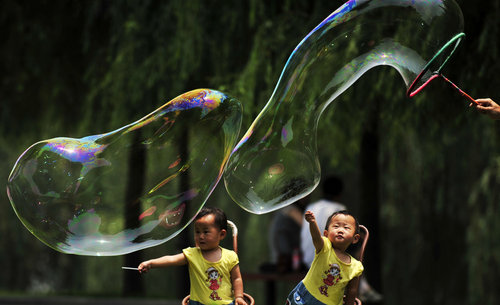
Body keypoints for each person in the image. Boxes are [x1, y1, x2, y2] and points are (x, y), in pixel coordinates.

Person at [138, 207, 248, 305]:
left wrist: (239, 297)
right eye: (197, 232)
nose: (200, 236)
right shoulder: (192, 254)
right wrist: (151, 263)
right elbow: (171, 259)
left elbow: (237, 278)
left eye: (206, 232)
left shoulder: (230, 256)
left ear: (222, 234)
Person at [286, 210, 363, 305]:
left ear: (355, 238)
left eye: (346, 228)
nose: (340, 230)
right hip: (304, 297)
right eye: (336, 226)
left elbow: (352, 291)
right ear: (326, 234)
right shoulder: (325, 247)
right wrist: (312, 223)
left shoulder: (356, 267)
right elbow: (316, 238)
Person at [301, 176, 346, 267]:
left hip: (307, 261)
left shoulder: (310, 208)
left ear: (322, 192)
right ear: (340, 194)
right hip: (327, 262)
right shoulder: (339, 209)